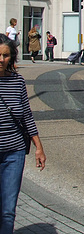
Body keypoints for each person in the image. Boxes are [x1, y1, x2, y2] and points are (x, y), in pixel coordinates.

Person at [0, 34, 46, 233]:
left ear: (12, 57)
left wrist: (38, 147)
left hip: (15, 153)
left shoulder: (17, 81)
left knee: (8, 211)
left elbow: (27, 115)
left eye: (6, 55)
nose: (1, 59)